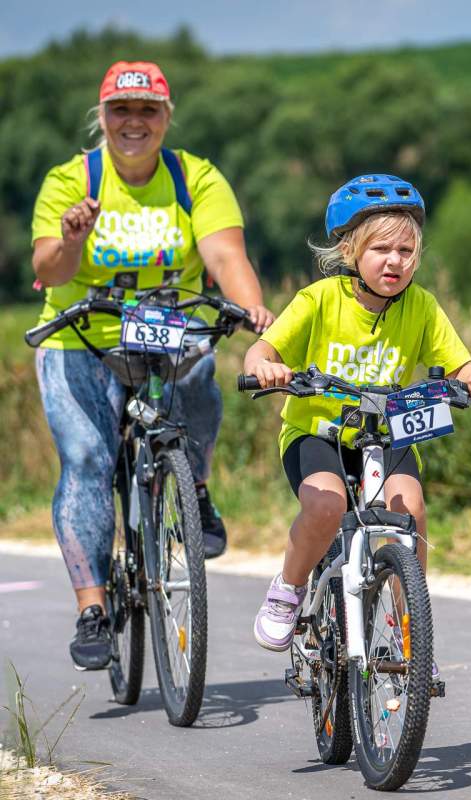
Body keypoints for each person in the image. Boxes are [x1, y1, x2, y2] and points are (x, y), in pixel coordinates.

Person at [31, 61, 273, 670]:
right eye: (120, 110)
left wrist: (253, 312)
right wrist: (74, 238)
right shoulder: (70, 180)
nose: (133, 122)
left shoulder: (196, 177)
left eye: (147, 111)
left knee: (197, 371)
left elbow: (224, 253)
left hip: (168, 327)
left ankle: (192, 487)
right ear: (102, 116)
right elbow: (51, 269)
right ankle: (91, 610)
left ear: (166, 118)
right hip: (82, 337)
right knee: (87, 461)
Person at [242, 174, 471, 671]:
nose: (394, 261)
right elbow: (264, 347)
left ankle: (410, 623)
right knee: (326, 504)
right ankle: (288, 589)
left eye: (406, 250)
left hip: (390, 431)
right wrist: (265, 366)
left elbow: (457, 364)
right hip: (318, 433)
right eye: (381, 249)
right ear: (350, 250)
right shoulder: (318, 299)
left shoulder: (421, 306)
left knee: (413, 508)